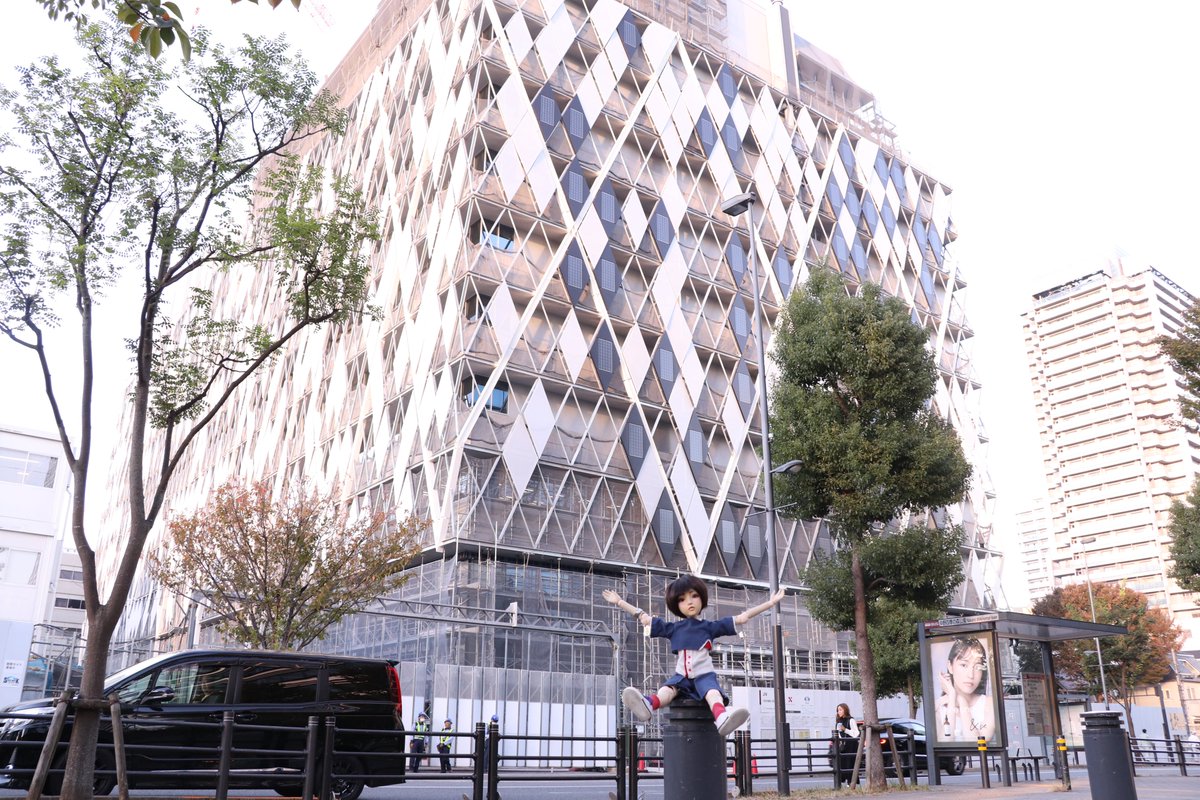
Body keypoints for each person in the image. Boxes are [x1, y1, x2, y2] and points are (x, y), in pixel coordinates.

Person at [604, 577, 784, 736]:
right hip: (681, 676)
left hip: (704, 675)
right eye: (682, 599)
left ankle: (722, 717)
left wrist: (770, 603)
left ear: (702, 598)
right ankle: (649, 704)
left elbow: (742, 618)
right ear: (676, 605)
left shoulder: (709, 627)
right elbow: (643, 617)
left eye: (694, 596)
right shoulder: (674, 628)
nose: (689, 602)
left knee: (713, 693)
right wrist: (620, 602)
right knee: (666, 691)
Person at [935, 636, 996, 741]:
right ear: (950, 666)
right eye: (964, 665)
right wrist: (952, 696)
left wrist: (961, 701)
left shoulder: (989, 704)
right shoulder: (938, 706)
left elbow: (978, 743)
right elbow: (946, 743)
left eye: (977, 667)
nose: (971, 675)